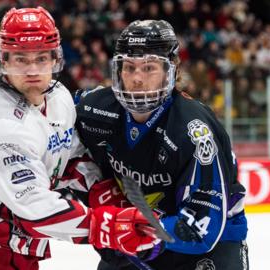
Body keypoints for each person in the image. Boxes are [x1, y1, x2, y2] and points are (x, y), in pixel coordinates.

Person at [0, 7, 158, 270]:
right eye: (21, 59)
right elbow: (35, 207)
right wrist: (107, 225)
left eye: (41, 59)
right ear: (4, 61)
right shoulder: (2, 124)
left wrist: (99, 190)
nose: (32, 70)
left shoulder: (59, 97)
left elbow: (68, 155)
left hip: (12, 245)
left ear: (55, 59)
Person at [75, 20, 249, 269]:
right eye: (129, 67)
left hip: (210, 243)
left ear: (172, 70)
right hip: (135, 233)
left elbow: (203, 227)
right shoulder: (94, 109)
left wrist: (137, 230)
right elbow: (53, 126)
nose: (136, 79)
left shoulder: (194, 131)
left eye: (149, 68)